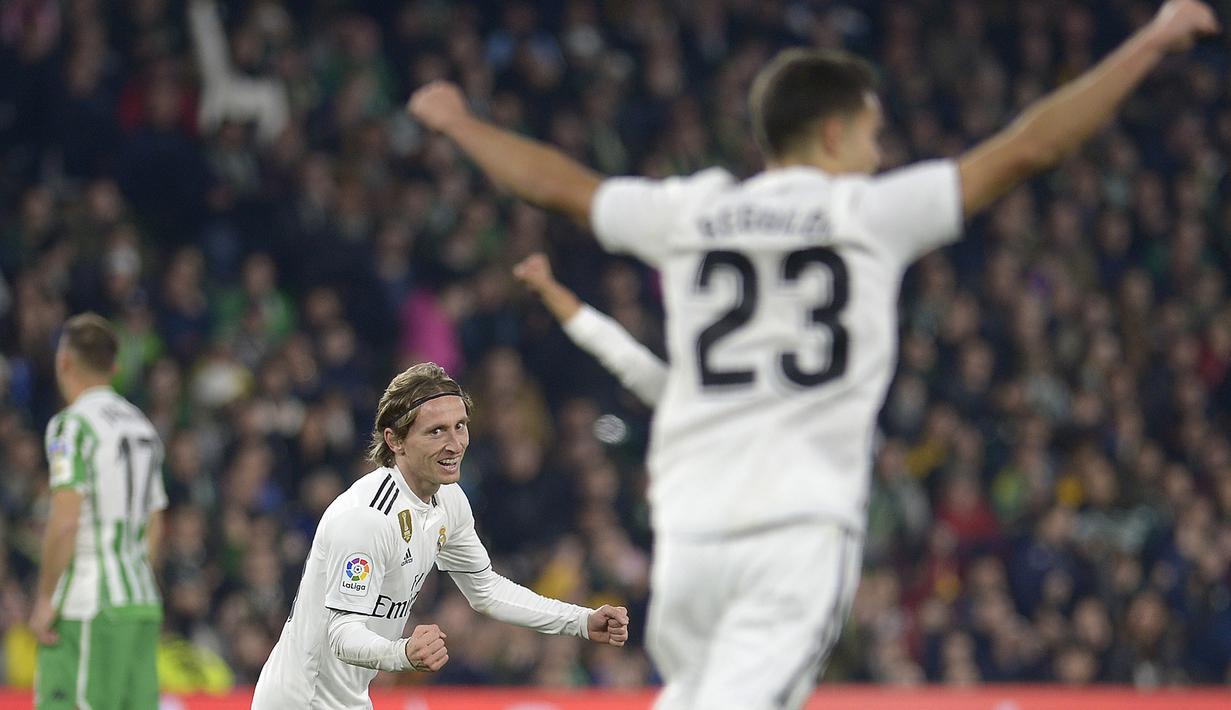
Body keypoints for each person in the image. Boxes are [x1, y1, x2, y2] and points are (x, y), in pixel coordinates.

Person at [408, 2, 1219, 708]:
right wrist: (1147, 43)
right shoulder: (869, 212)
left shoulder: (694, 213)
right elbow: (1026, 149)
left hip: (691, 530)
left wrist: (459, 124)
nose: (877, 152)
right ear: (833, 132)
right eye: (871, 133)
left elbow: (563, 187)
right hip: (795, 531)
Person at [252, 361, 630, 709]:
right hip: (299, 701)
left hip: (348, 699)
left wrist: (580, 621)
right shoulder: (366, 518)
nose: (455, 444)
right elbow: (341, 633)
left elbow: (486, 590)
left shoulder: (448, 500)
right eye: (436, 431)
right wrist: (403, 653)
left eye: (460, 426)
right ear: (395, 440)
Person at [31, 313, 167, 710]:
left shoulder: (72, 426)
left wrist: (45, 598)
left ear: (64, 363)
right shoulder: (142, 427)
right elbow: (156, 522)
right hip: (140, 600)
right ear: (114, 367)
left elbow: (66, 521)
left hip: (88, 604)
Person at [514, 253, 665, 407]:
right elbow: (603, 339)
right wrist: (546, 287)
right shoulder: (672, 391)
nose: (622, 284)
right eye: (614, 276)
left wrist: (547, 287)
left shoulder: (659, 320)